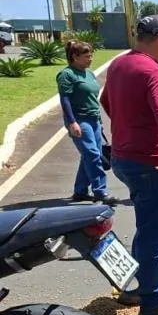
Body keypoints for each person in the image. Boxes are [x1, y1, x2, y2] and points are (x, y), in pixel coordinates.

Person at [99, 15, 158, 315]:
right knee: (156, 233)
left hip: (125, 159)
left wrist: (129, 126)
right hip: (152, 162)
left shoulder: (119, 65)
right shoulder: (154, 72)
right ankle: (153, 302)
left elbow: (104, 100)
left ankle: (135, 288)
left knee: (145, 227)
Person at [57, 40, 116, 205]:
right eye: (86, 56)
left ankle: (80, 191)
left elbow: (92, 99)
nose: (90, 59)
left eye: (91, 55)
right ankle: (101, 191)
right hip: (79, 120)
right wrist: (72, 122)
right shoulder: (67, 75)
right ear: (75, 57)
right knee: (92, 154)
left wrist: (99, 120)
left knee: (89, 156)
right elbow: (65, 100)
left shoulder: (89, 74)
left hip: (93, 119)